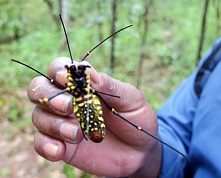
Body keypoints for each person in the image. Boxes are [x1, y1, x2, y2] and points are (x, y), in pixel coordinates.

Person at [27, 38, 221, 178]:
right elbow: (177, 132)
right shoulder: (216, 60)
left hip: (85, 103)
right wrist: (150, 156)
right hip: (85, 104)